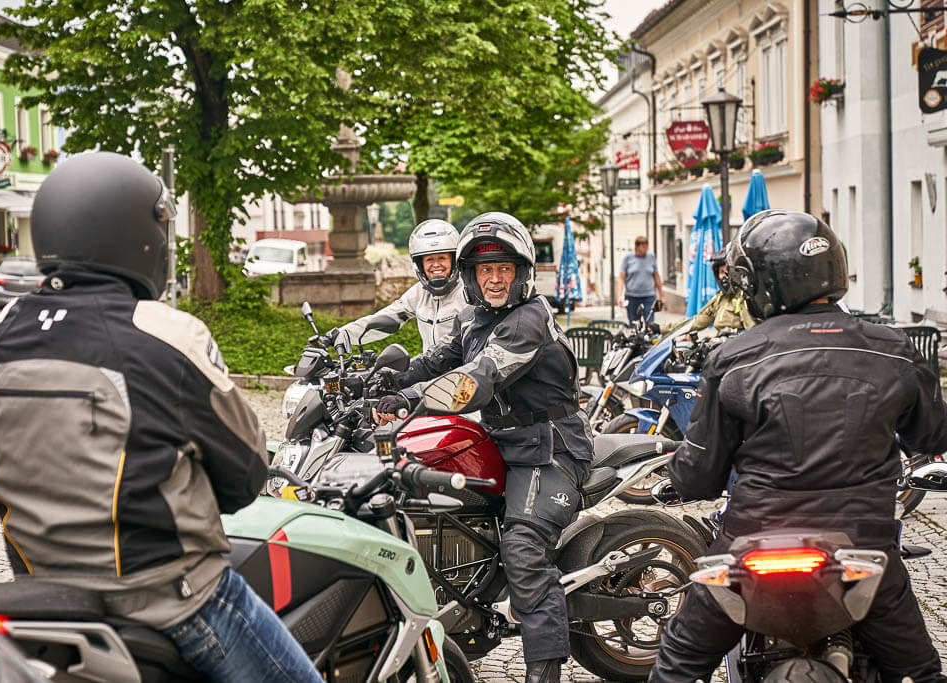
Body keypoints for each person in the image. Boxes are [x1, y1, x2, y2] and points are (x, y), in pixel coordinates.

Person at [0, 152, 323, 683]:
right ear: (141, 239)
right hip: (171, 597)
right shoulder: (167, 332)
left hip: (42, 595)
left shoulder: (7, 332)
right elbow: (247, 474)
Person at [649, 210, 947, 682]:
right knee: (921, 673)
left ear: (757, 284)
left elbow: (697, 475)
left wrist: (675, 478)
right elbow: (933, 436)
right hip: (864, 551)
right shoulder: (892, 349)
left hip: (752, 545)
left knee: (679, 662)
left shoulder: (733, 357)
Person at [374, 212, 593, 683]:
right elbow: (436, 360)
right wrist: (384, 381)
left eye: (504, 269)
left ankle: (543, 670)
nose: (494, 279)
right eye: (484, 270)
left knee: (523, 546)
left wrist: (409, 402)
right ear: (470, 276)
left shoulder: (529, 320)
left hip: (550, 448)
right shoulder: (473, 315)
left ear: (521, 273)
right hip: (503, 440)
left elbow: (479, 377)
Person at [324, 219, 466, 352]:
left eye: (442, 257)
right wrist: (342, 334)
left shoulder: (469, 292)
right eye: (429, 259)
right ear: (420, 265)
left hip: (464, 375)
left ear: (454, 260)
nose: (435, 264)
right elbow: (388, 317)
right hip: (431, 372)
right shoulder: (420, 293)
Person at [618, 235, 666, 325]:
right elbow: (621, 278)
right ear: (636, 246)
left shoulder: (651, 256)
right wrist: (620, 296)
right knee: (634, 323)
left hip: (649, 296)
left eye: (647, 247)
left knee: (650, 323)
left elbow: (656, 276)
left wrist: (661, 295)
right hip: (632, 297)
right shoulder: (628, 258)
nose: (646, 249)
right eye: (643, 247)